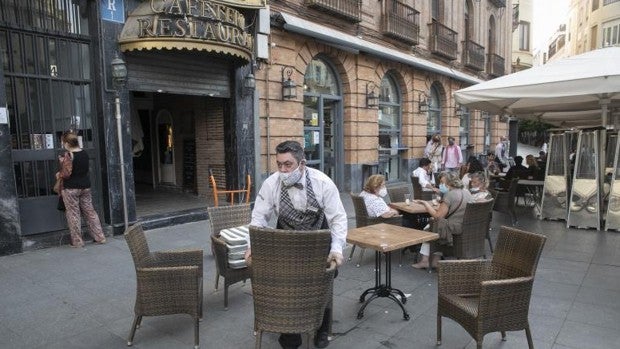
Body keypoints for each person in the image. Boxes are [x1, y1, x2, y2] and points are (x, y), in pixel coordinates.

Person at [246, 140, 347, 349]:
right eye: (279, 164)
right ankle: (290, 335)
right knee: (286, 286)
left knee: (324, 284)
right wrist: (252, 246)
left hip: (318, 243)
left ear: (302, 163)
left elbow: (338, 218)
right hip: (287, 243)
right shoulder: (271, 184)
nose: (283, 170)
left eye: (288, 164)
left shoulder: (323, 183)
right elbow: (258, 219)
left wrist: (337, 249)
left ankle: (322, 328)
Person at [411, 172, 472, 269]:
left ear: (450, 183)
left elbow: (438, 216)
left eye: (442, 182)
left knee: (429, 228)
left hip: (452, 228)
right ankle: (436, 260)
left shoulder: (450, 194)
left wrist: (425, 204)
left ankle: (425, 261)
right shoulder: (467, 192)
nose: (441, 184)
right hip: (465, 227)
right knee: (434, 225)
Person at [57, 131, 106, 247]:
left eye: (63, 142)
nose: (63, 145)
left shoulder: (68, 155)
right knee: (90, 212)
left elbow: (66, 174)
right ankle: (100, 236)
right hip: (85, 187)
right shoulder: (85, 153)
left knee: (73, 214)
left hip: (71, 188)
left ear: (67, 143)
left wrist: (61, 166)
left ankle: (78, 241)